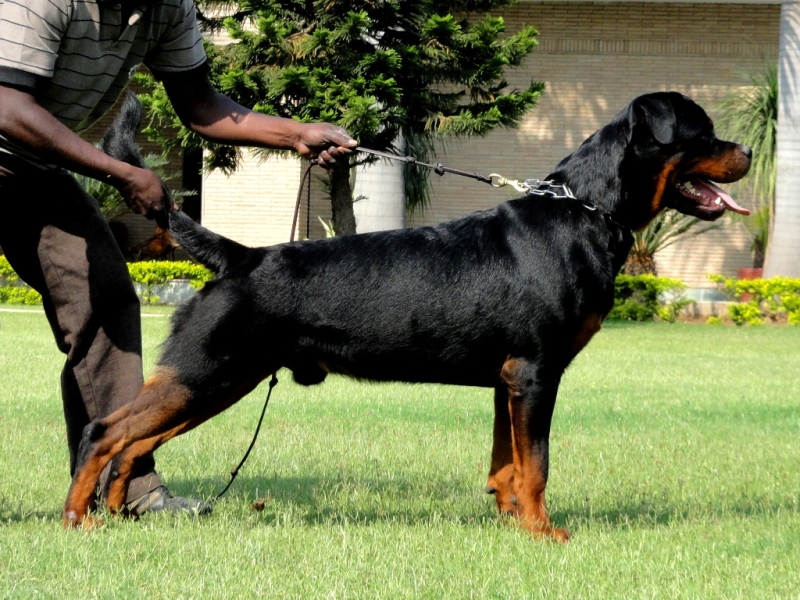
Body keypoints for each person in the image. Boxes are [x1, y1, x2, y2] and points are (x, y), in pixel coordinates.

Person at [0, 0, 357, 517]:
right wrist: (121, 173)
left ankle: (127, 484)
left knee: (105, 303)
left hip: (33, 168)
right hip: (15, 137)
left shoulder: (167, 7)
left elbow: (200, 104)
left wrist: (295, 132)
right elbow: (7, 106)